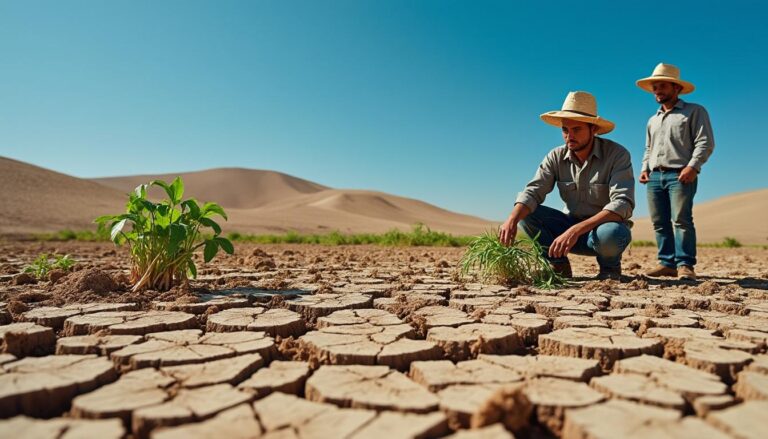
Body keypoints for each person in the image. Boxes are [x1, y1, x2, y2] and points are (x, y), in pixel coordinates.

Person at [499, 91, 635, 280]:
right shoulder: (555, 156)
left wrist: (576, 230)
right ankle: (558, 265)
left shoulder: (617, 155)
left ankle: (610, 269)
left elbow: (622, 204)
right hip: (567, 231)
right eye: (565, 130)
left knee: (611, 232)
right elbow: (533, 191)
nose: (569, 136)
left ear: (593, 129)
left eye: (577, 129)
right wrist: (511, 220)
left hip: (601, 234)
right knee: (525, 213)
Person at [636, 63, 715, 281]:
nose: (657, 91)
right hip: (654, 176)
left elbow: (705, 142)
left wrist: (693, 166)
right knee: (659, 222)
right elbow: (648, 148)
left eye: (662, 86)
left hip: (681, 174)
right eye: (655, 87)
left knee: (681, 220)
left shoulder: (694, 111)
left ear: (676, 88)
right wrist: (644, 168)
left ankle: (685, 265)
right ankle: (666, 263)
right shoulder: (652, 120)